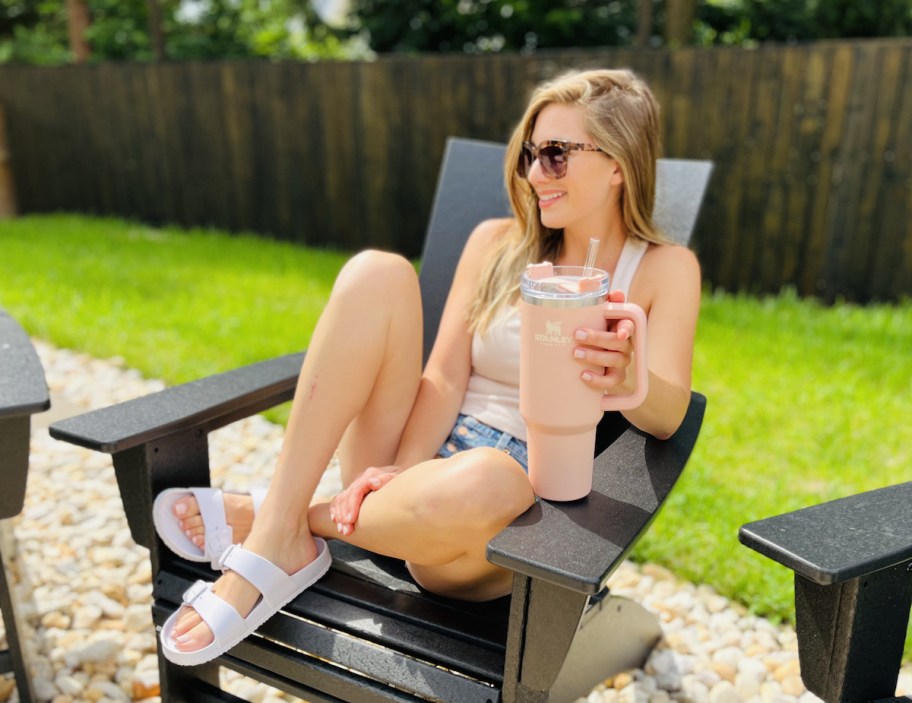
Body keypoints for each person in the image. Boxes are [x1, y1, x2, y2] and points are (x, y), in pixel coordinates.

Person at [153, 67, 701, 665]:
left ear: (618, 162)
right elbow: (442, 379)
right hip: (412, 464)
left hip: (500, 519)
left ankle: (285, 520)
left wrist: (631, 381)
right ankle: (285, 531)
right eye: (529, 155)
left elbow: (671, 414)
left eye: (556, 155)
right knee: (376, 271)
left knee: (489, 476)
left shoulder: (663, 269)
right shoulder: (497, 243)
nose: (535, 173)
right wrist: (397, 469)